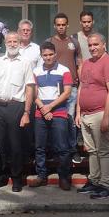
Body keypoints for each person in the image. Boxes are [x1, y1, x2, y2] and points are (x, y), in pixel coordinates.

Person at [0, 31, 35, 192]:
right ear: (5, 43)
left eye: (15, 41)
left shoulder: (26, 63)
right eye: (9, 41)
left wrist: (27, 112)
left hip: (16, 107)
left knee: (15, 145)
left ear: (20, 43)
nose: (12, 44)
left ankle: (16, 178)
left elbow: (29, 88)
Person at [76, 33, 109, 199]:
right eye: (90, 45)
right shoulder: (87, 63)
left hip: (100, 113)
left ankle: (106, 185)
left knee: (103, 151)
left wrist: (106, 117)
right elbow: (82, 87)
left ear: (104, 44)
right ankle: (94, 181)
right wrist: (79, 112)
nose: (93, 48)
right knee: (92, 151)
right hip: (86, 114)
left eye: (96, 45)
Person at [31, 41, 73, 191]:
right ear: (41, 56)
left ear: (55, 54)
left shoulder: (64, 70)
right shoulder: (35, 71)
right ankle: (41, 176)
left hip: (59, 112)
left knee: (62, 147)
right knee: (39, 147)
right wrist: (43, 108)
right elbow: (32, 94)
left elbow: (67, 92)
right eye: (45, 55)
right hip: (40, 112)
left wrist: (50, 107)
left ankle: (63, 177)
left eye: (50, 54)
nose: (48, 57)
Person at [48, 13, 83, 164]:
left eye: (64, 24)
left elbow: (79, 63)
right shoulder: (49, 42)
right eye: (58, 25)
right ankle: (54, 149)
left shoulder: (74, 42)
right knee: (54, 119)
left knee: (70, 120)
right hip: (54, 87)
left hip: (72, 87)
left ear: (67, 25)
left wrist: (81, 81)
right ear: (54, 26)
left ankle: (72, 150)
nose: (61, 27)